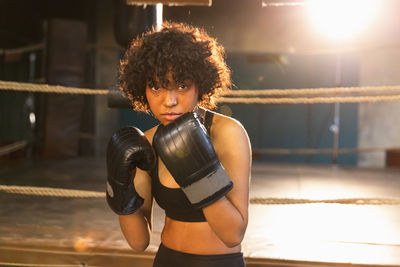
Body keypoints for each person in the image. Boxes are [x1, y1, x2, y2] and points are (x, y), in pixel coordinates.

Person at [105, 21, 252, 267]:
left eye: (182, 86)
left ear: (200, 85)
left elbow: (232, 234)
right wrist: (119, 187)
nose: (169, 100)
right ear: (143, 89)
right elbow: (138, 241)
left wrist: (197, 170)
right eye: (156, 87)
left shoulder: (227, 133)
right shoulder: (147, 143)